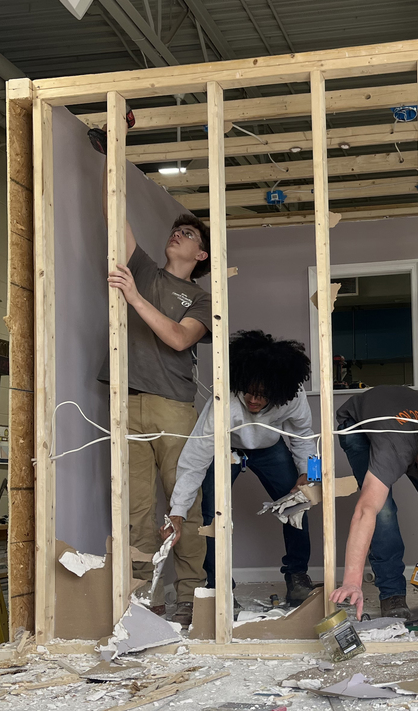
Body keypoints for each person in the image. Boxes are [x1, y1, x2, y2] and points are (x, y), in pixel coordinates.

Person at [95, 127, 212, 628]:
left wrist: (133, 298)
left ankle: (189, 596)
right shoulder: (142, 267)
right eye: (176, 231)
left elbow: (180, 339)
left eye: (188, 235)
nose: (177, 235)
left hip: (174, 407)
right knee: (137, 509)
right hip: (128, 401)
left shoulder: (202, 300)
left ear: (200, 256)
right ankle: (141, 598)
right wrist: (114, 157)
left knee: (182, 506)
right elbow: (113, 217)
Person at [167, 330, 317, 608]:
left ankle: (297, 576)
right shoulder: (224, 403)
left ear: (278, 392)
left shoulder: (292, 395)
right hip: (227, 448)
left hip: (270, 448)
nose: (254, 401)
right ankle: (219, 585)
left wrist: (310, 476)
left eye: (263, 396)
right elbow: (195, 457)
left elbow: (303, 435)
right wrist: (177, 510)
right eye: (249, 392)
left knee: (299, 502)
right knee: (211, 514)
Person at [331, 384, 418, 621]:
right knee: (383, 513)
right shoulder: (393, 450)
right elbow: (365, 511)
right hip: (358, 427)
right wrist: (352, 581)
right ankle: (392, 594)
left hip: (410, 431)